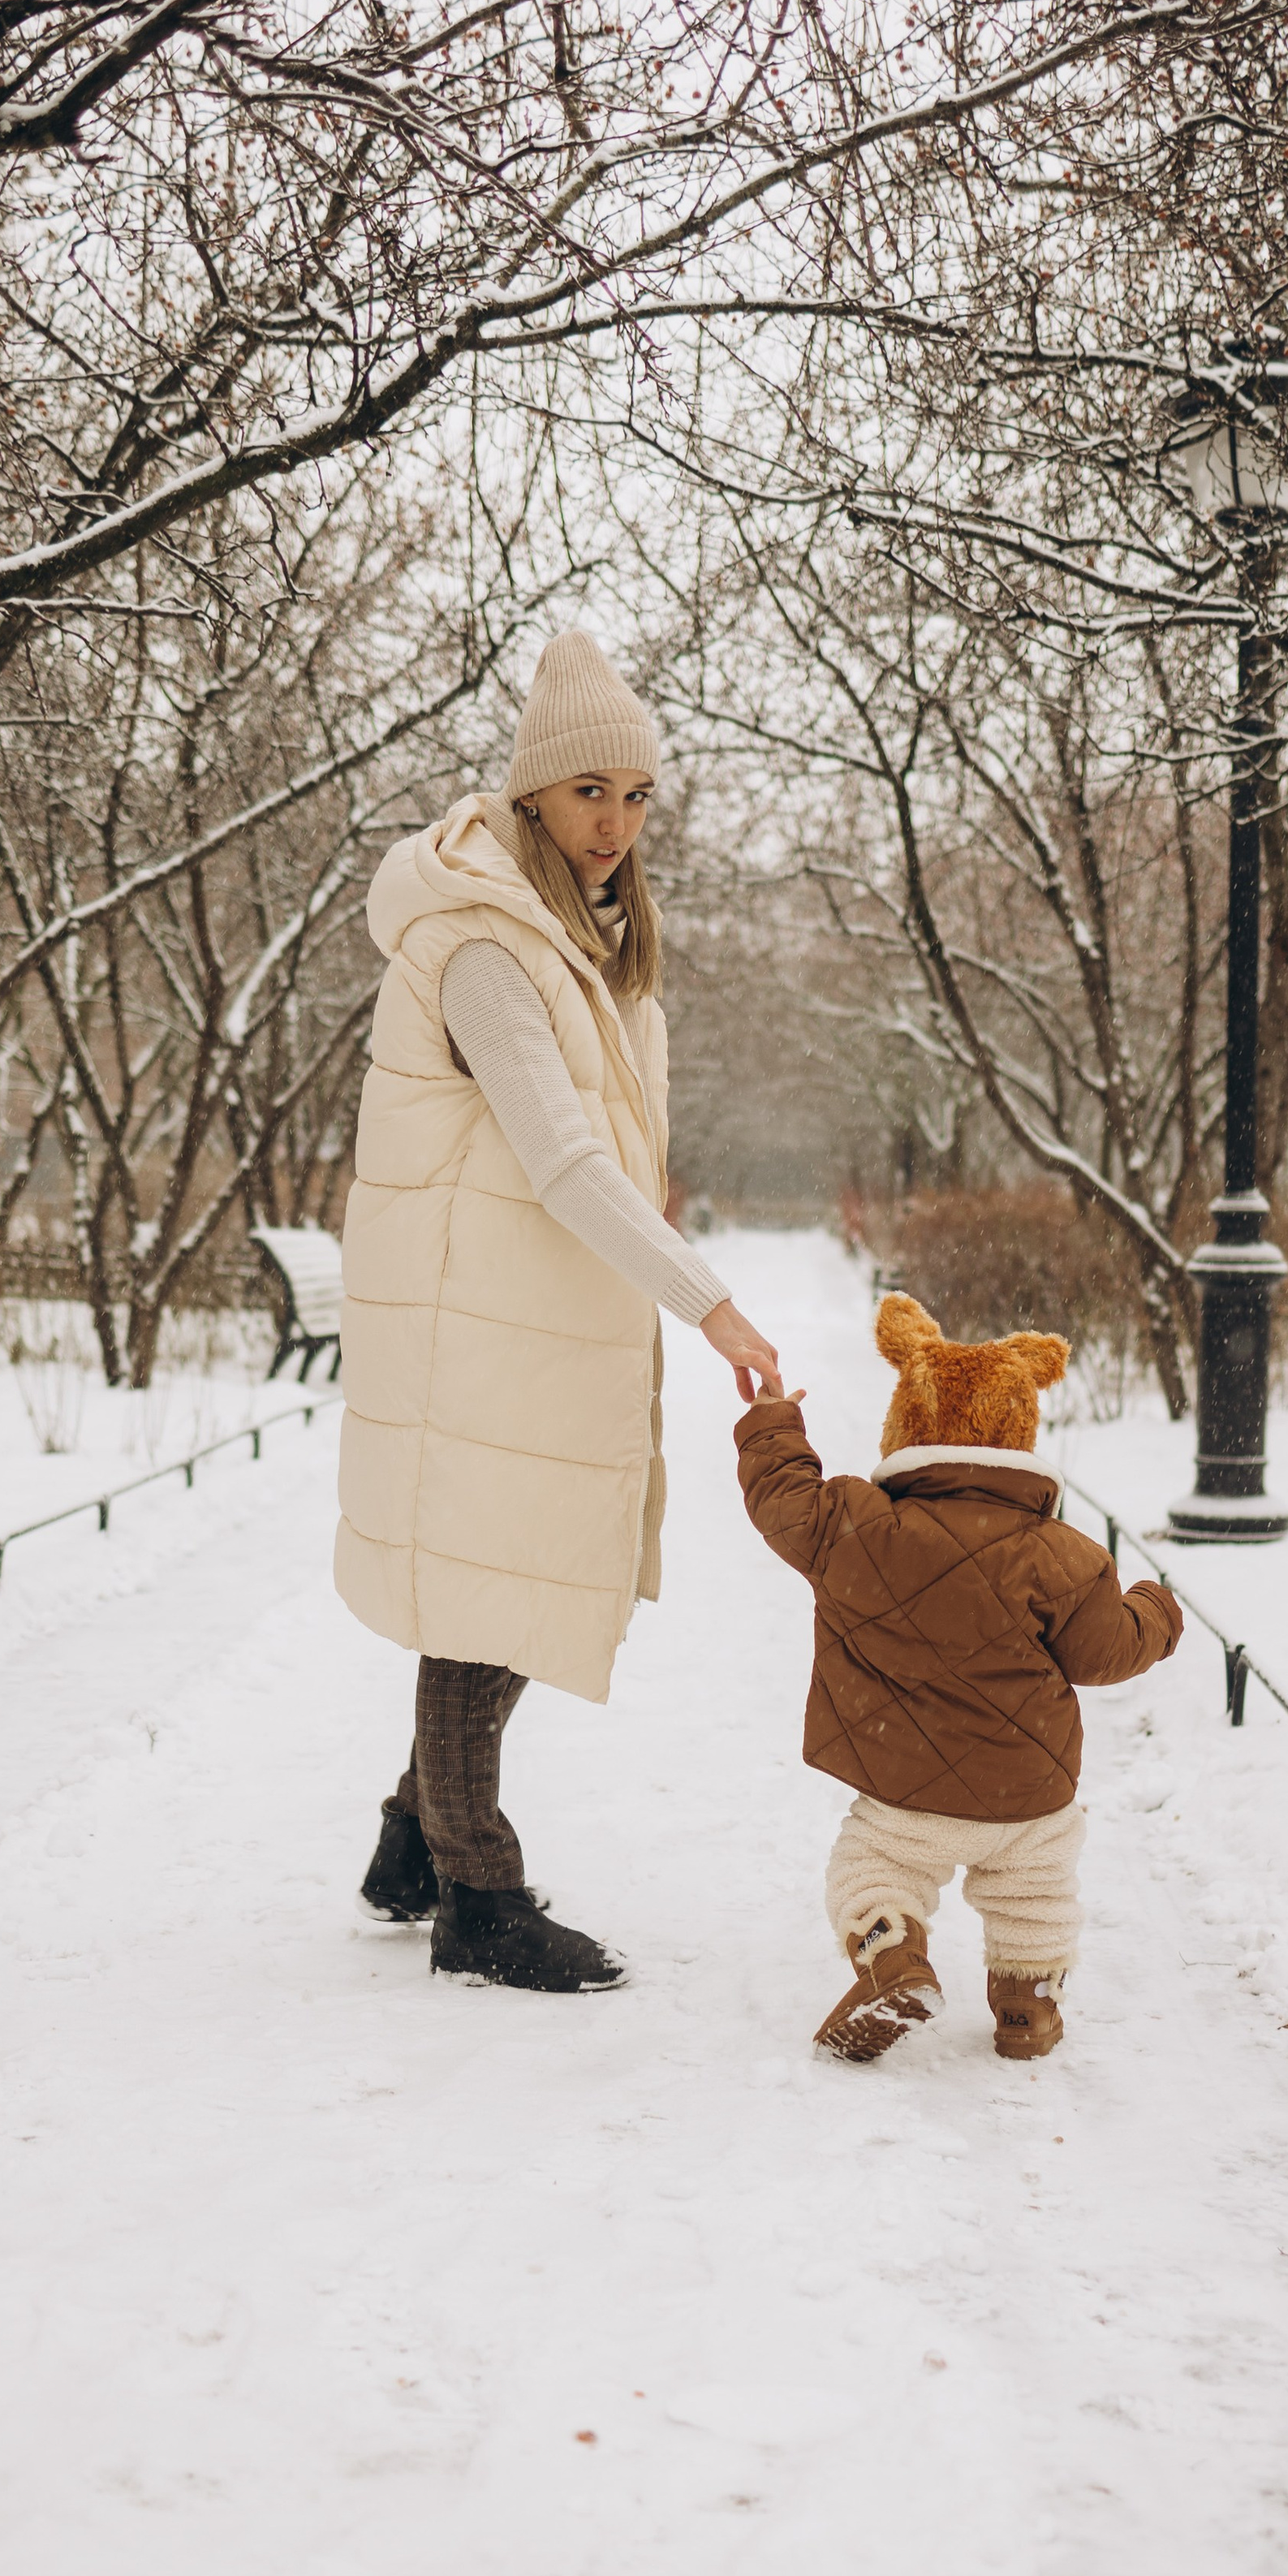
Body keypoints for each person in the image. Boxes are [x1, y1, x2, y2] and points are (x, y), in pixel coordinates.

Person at [336, 632, 782, 1991]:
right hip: (476, 1315)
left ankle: (412, 1840)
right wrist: (711, 1306)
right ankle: (479, 1897)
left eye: (637, 796)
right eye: (591, 792)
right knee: (487, 1603)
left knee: (517, 1574)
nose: (616, 823)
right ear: (532, 792)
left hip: (531, 1312)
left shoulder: (588, 939)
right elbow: (563, 1160)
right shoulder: (485, 945)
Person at [734, 1291, 1183, 2064]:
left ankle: (893, 1956)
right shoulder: (1063, 1556)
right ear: (1022, 1430)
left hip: (904, 1788)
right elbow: (1106, 1652)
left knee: (873, 1868)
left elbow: (783, 1503)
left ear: (904, 1424)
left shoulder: (854, 1523)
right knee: (1034, 1891)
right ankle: (1027, 2004)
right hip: (1027, 1792)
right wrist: (1157, 1611)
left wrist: (774, 1419)